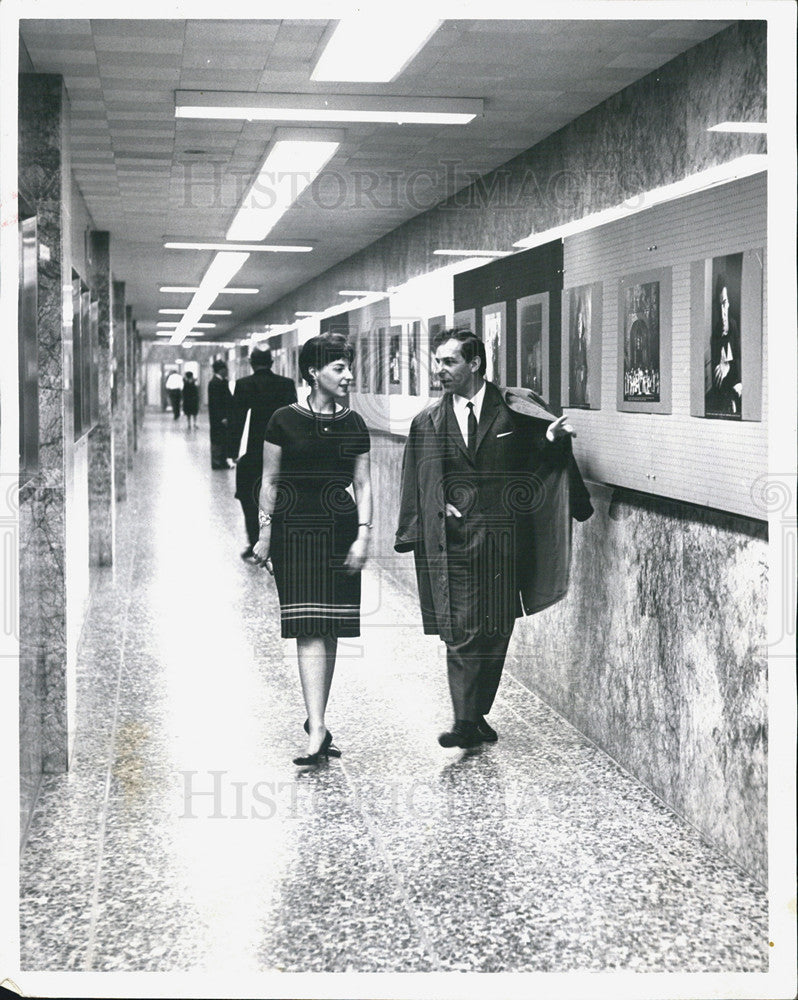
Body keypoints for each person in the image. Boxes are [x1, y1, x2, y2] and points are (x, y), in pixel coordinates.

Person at [395, 328, 593, 749]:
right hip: (457, 541)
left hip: (505, 539)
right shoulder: (428, 421)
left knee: (496, 630)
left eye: (448, 362)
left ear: (475, 364)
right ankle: (464, 722)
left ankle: (477, 714)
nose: (440, 371)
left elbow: (535, 467)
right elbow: (417, 478)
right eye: (438, 362)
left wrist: (551, 440)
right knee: (462, 629)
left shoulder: (512, 412)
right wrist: (434, 505)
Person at [252, 334, 372, 767]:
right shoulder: (283, 420)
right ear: (312, 372)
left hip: (339, 527)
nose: (348, 375)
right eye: (339, 368)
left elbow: (363, 483)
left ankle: (316, 720)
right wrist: (265, 533)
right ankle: (318, 726)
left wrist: (363, 534)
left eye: (348, 366)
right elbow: (269, 481)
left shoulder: (355, 424)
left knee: (331, 625)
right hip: (294, 530)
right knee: (307, 625)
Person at [230, 347, 297, 561]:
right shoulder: (286, 385)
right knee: (276, 495)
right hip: (281, 453)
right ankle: (277, 541)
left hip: (251, 454)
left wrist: (231, 452)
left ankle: (255, 543)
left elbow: (236, 421)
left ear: (251, 362)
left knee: (249, 498)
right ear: (271, 362)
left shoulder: (243, 385)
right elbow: (292, 419)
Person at [706, 275, 742, 417]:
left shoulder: (734, 325)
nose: (723, 310)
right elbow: (717, 370)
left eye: (725, 303)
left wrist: (739, 381)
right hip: (723, 388)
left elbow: (738, 356)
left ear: (729, 303)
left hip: (736, 380)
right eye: (720, 304)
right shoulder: (715, 331)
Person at [207, 360, 234, 469]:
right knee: (217, 439)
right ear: (221, 370)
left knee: (224, 439)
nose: (227, 371)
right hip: (218, 417)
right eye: (226, 369)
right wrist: (222, 417)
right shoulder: (214, 383)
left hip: (224, 416)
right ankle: (216, 462)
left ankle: (223, 461)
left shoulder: (223, 382)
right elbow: (215, 403)